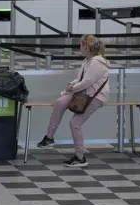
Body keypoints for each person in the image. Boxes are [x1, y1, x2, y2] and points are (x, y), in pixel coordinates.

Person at [37, 35, 112, 167]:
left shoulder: (97, 62)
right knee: (60, 102)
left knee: (75, 123)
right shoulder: (87, 60)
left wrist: (70, 89)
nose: (79, 47)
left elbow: (87, 82)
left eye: (81, 44)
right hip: (84, 94)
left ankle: (80, 157)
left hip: (96, 97)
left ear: (86, 47)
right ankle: (49, 137)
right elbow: (80, 79)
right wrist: (70, 85)